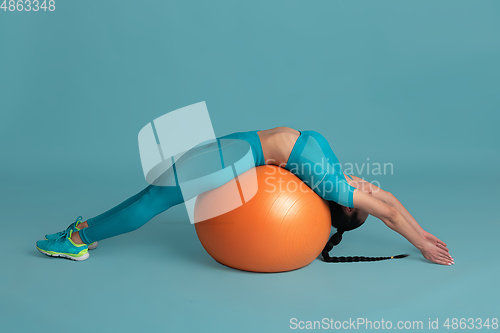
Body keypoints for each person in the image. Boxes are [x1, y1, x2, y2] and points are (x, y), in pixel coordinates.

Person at [36, 127, 453, 266]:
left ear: (348, 206)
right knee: (152, 194)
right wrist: (426, 231)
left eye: (366, 194)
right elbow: (392, 202)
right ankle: (81, 233)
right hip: (233, 147)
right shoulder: (336, 177)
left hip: (228, 160)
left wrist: (420, 244)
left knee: (152, 200)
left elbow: (387, 212)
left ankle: (77, 240)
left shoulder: (338, 187)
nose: (370, 186)